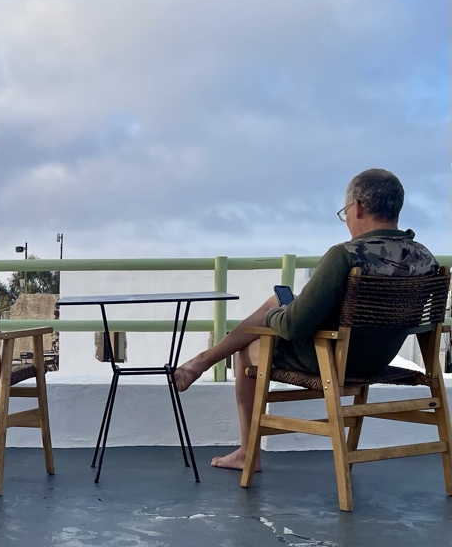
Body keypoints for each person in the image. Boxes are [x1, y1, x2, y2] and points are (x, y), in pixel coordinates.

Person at [173, 169, 439, 471]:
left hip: (333, 360)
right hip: (380, 360)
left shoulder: (346, 255)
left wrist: (273, 314)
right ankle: (201, 363)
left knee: (250, 345)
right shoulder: (425, 258)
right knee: (282, 304)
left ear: (358, 207)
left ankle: (247, 450)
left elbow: (293, 327)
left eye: (345, 212)